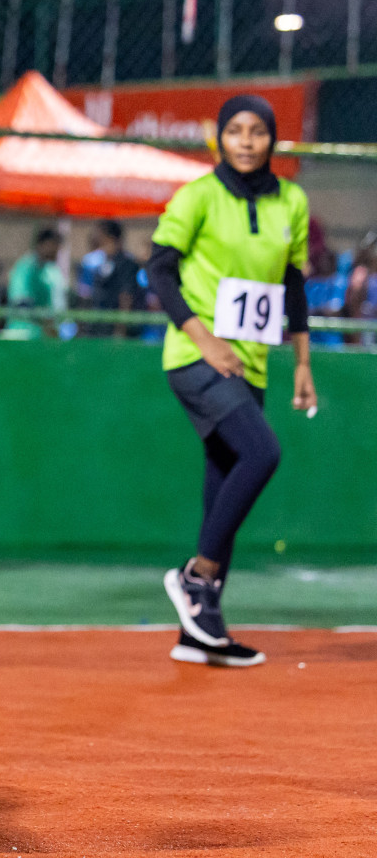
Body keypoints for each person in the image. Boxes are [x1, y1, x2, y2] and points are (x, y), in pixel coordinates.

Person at [147, 95, 316, 668]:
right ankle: (197, 577)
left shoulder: (291, 199)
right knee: (261, 453)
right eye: (236, 131)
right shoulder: (198, 195)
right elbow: (160, 270)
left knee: (224, 483)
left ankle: (199, 633)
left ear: (272, 140)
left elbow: (292, 284)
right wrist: (204, 339)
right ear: (220, 138)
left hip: (253, 361)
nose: (246, 141)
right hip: (197, 357)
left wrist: (302, 363)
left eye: (258, 132)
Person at [4, 228, 66, 339]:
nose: (56, 251)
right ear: (41, 244)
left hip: (42, 338)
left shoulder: (50, 271)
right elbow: (21, 303)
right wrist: (45, 320)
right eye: (53, 246)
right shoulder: (25, 268)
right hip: (22, 335)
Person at [86, 220, 143, 335]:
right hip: (98, 328)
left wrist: (120, 330)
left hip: (114, 330)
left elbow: (126, 297)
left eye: (99, 233)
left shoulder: (126, 264)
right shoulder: (101, 262)